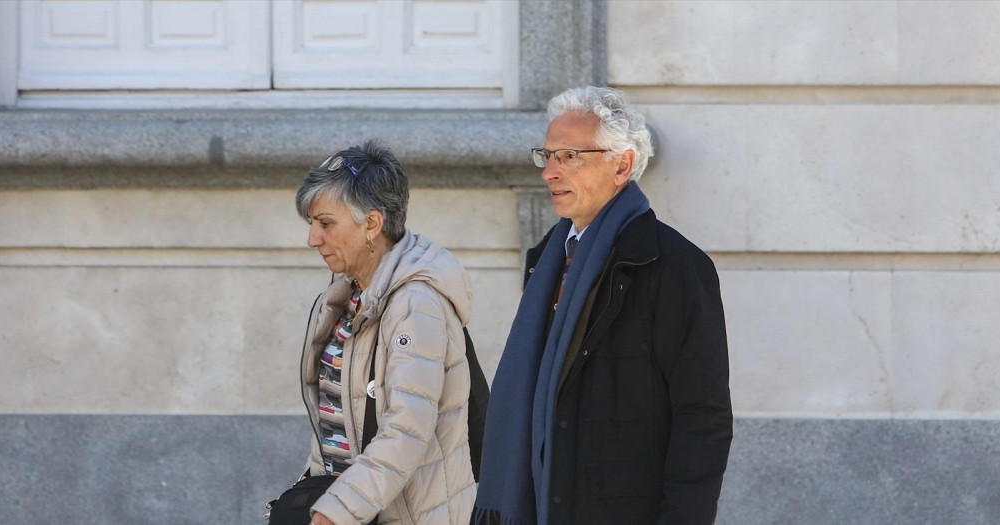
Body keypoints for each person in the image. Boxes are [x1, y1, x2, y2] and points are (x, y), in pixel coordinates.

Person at [473, 87, 733, 525]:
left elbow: (702, 417)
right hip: (544, 504)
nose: (550, 173)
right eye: (548, 155)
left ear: (622, 164)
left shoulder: (672, 265)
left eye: (570, 156)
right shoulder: (545, 261)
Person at [294, 140, 476, 525]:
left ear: (372, 225)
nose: (313, 239)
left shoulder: (415, 303)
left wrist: (332, 513)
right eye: (312, 224)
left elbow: (405, 432)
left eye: (325, 223)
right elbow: (337, 422)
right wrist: (308, 494)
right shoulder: (350, 295)